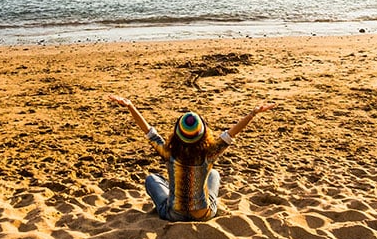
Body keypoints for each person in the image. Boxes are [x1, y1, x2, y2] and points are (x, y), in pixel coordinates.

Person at [108, 94, 276, 221]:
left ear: (178, 133)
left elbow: (149, 132)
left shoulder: (169, 152)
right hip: (203, 214)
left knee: (152, 179)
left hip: (174, 214)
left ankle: (174, 193)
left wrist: (130, 106)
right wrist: (252, 114)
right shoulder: (209, 153)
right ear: (202, 133)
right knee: (214, 174)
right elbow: (231, 133)